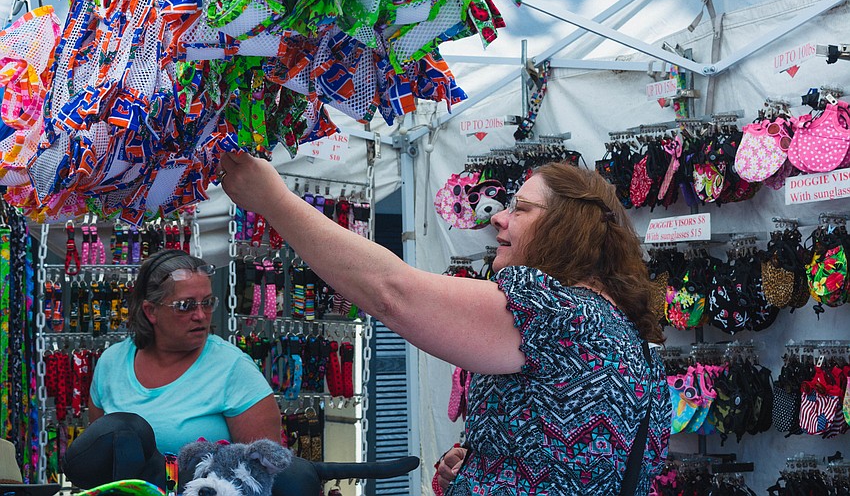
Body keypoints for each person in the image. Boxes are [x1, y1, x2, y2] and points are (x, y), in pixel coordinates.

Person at [219, 153, 671, 495]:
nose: (498, 216)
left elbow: (392, 293)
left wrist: (273, 200)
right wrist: (484, 462)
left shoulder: (562, 316)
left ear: (567, 229)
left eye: (521, 209)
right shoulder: (620, 329)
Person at [87, 249, 282, 455]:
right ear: (150, 311)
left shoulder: (233, 368)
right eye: (185, 306)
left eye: (207, 303)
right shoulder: (112, 362)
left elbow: (265, 469)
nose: (200, 315)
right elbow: (99, 455)